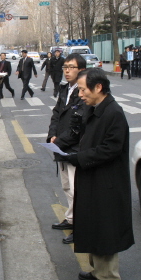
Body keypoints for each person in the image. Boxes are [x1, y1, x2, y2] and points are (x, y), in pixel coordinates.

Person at [64, 68, 134, 280]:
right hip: (93, 178)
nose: (81, 94)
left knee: (105, 232)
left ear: (98, 87)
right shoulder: (94, 108)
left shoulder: (114, 113)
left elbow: (109, 150)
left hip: (107, 184)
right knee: (94, 227)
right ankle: (97, 271)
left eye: (83, 89)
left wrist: (78, 157)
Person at [47, 53, 86, 245]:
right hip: (61, 146)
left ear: (81, 70)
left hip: (73, 149)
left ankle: (80, 227)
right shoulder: (65, 89)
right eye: (65, 67)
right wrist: (52, 135)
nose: (67, 71)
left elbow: (76, 127)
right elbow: (56, 114)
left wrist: (59, 141)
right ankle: (70, 219)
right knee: (66, 186)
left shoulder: (83, 92)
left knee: (76, 189)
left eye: (71, 67)